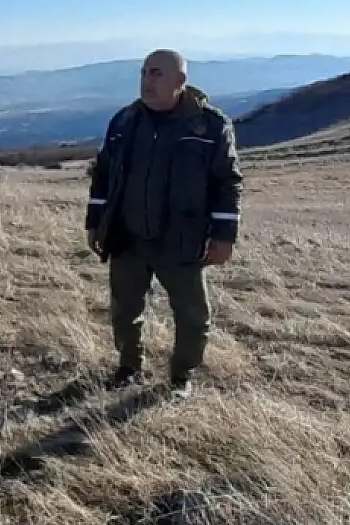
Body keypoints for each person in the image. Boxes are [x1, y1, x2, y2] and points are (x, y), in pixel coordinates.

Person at [85, 49, 243, 397]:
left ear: (180, 82)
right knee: (124, 310)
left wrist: (224, 234)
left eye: (156, 73)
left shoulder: (210, 126)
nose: (147, 81)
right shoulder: (124, 122)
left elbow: (227, 182)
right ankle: (128, 367)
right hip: (127, 236)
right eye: (144, 72)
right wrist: (95, 221)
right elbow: (104, 174)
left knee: (191, 316)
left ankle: (180, 378)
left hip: (181, 239)